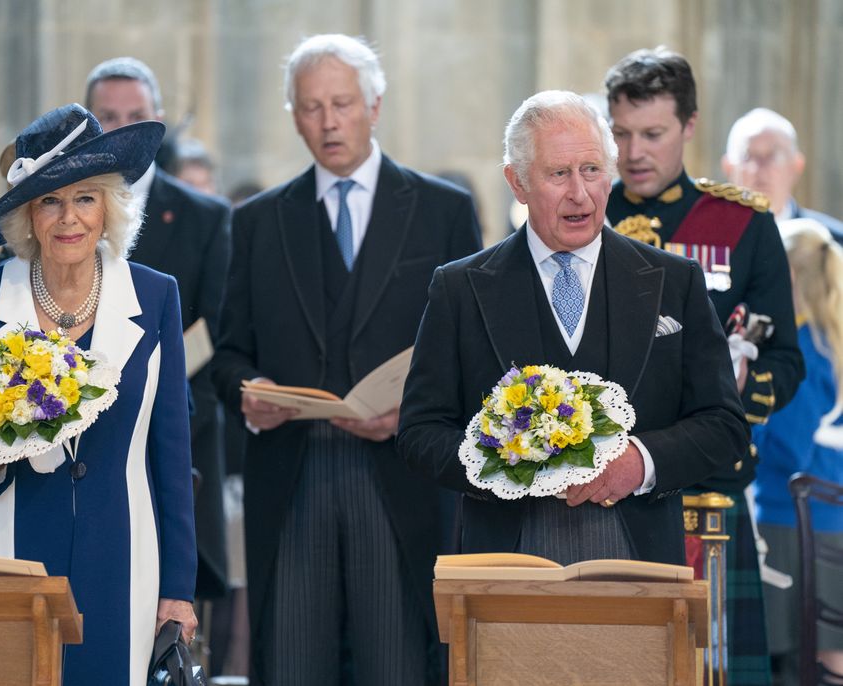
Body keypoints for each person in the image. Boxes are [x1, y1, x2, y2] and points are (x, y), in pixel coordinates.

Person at [211, 33, 482, 685]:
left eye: (341, 103)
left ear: (374, 105)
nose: (328, 122)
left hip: (400, 482)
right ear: (295, 116)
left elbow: (475, 351)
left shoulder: (443, 212)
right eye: (310, 107)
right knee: (292, 665)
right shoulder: (258, 222)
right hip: (291, 478)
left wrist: (412, 414)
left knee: (396, 665)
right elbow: (227, 355)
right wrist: (248, 393)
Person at [398, 90, 748, 569]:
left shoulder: (675, 280)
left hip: (638, 558)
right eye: (558, 174)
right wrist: (500, 460)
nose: (579, 194)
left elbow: (723, 424)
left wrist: (640, 462)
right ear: (516, 183)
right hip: (505, 563)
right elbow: (419, 432)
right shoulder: (459, 288)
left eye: (591, 170)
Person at [0, 103, 198, 684]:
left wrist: (178, 589)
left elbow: (171, 456)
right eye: (50, 200)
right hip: (2, 557)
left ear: (109, 208)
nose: (69, 218)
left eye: (85, 198)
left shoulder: (155, 297)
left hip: (123, 562)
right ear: (27, 215)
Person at [603, 47, 804, 686]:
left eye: (653, 134)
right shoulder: (582, 215)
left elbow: (786, 360)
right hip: (595, 488)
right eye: (622, 133)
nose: (635, 151)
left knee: (710, 673)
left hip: (706, 487)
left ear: (689, 126)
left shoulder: (740, 222)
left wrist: (739, 394)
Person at [86, 56, 232, 602]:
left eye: (136, 115)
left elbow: (216, 329)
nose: (124, 129)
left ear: (159, 121)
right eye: (108, 116)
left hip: (176, 433)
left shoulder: (206, 216)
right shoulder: (51, 212)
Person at [752, 218, 843, 682]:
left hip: (793, 522)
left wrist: (747, 428)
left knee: (802, 664)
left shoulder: (804, 348)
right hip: (828, 518)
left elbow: (788, 449)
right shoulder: (833, 341)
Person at [722, 107, 843, 242]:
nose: (759, 168)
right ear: (728, 167)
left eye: (774, 156)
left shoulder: (831, 244)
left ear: (796, 166)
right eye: (747, 156)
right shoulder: (707, 238)